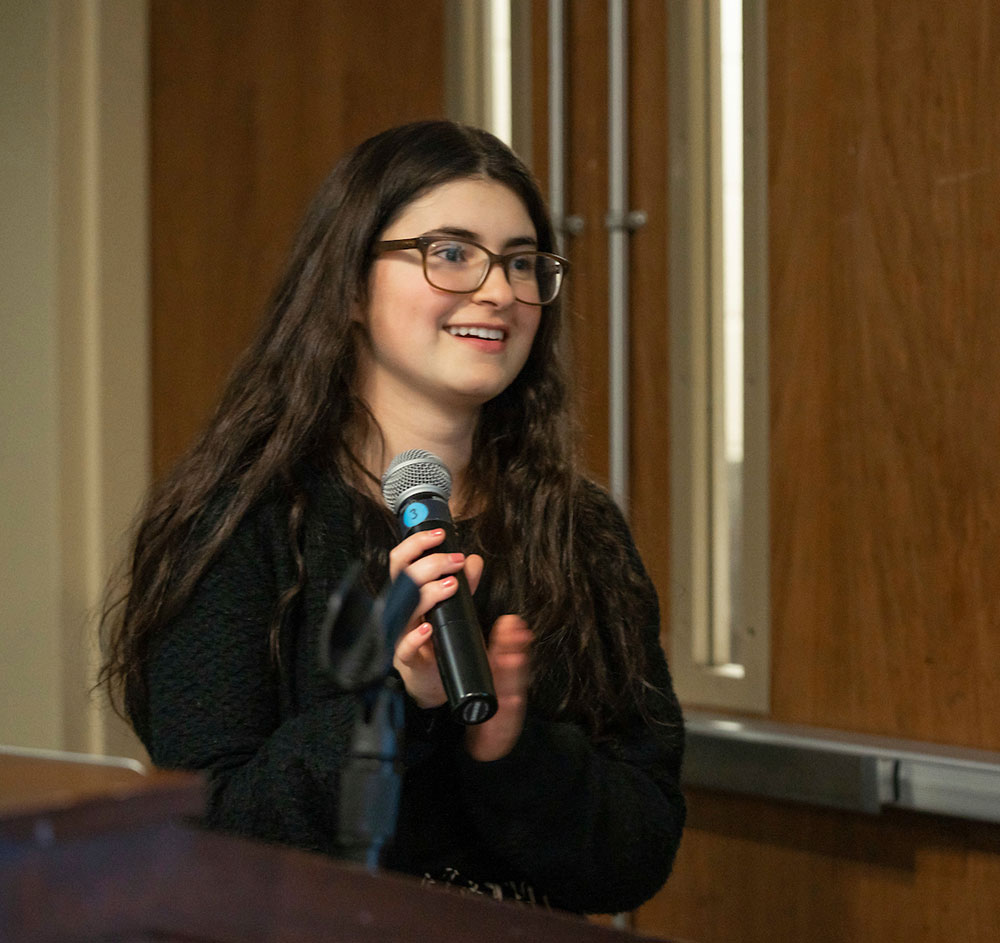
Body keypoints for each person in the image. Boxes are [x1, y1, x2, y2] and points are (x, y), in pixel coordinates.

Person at [99, 120, 685, 914]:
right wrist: (396, 701)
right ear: (347, 286)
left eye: (521, 261)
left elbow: (638, 852)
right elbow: (217, 833)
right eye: (450, 253)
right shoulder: (239, 522)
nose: (498, 291)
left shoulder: (582, 531)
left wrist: (511, 749)